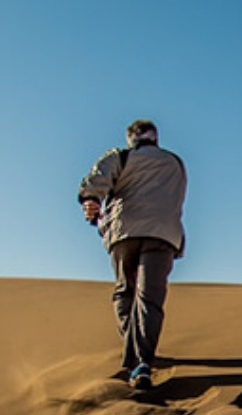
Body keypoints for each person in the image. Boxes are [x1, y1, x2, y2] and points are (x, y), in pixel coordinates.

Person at [78, 119, 188, 389]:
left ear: (131, 138)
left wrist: (91, 199)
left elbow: (97, 180)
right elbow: (177, 200)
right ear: (156, 138)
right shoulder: (175, 163)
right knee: (150, 298)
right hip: (163, 235)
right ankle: (142, 360)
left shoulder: (121, 156)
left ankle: (135, 357)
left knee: (125, 291)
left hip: (125, 232)